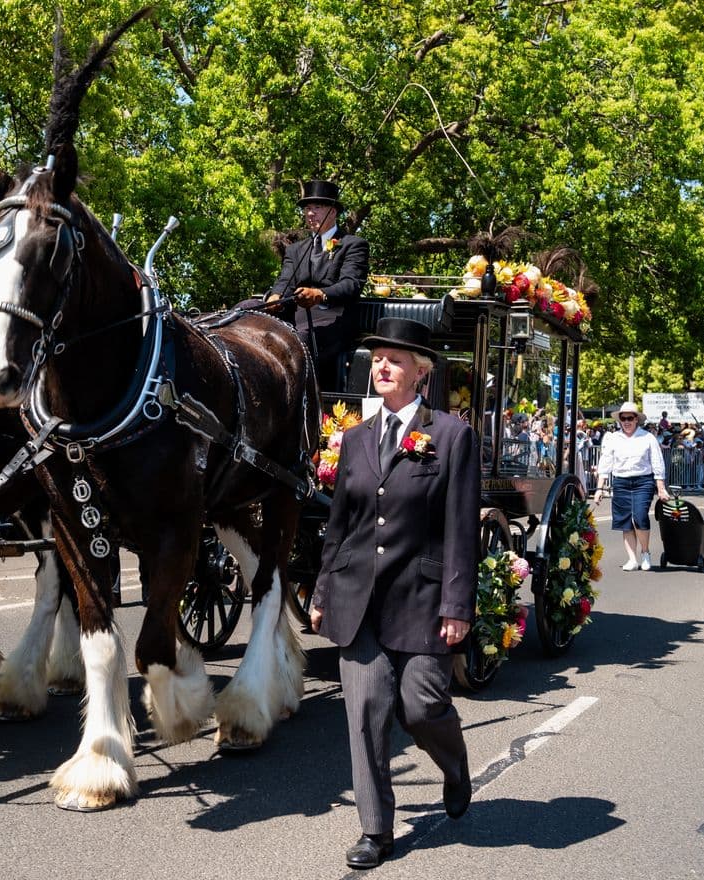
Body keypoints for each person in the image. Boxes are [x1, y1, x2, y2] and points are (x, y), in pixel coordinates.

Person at [309, 318, 475, 869]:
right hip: (358, 600)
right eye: (377, 357)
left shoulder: (451, 435)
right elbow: (342, 524)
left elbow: (459, 527)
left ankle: (454, 765)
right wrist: (322, 590)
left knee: (422, 706)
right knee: (365, 713)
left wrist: (457, 606)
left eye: (395, 359)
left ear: (420, 373)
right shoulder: (355, 438)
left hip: (422, 600)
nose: (382, 366)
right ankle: (375, 831)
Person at [262, 179, 369, 391]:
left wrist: (320, 294)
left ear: (333, 212)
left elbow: (351, 284)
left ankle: (292, 398)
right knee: (244, 309)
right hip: (297, 316)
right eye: (307, 209)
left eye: (317, 208)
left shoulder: (353, 245)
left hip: (333, 319)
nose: (310, 214)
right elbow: (285, 282)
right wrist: (275, 297)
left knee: (296, 340)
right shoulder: (296, 250)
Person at [592, 401, 670, 571]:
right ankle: (632, 559)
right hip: (621, 482)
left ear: (636, 419)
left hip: (643, 481)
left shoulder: (647, 437)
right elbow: (605, 463)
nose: (626, 421)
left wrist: (661, 487)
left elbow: (657, 463)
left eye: (629, 418)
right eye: (623, 418)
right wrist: (599, 488)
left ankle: (645, 552)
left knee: (640, 517)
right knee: (625, 521)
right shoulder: (613, 438)